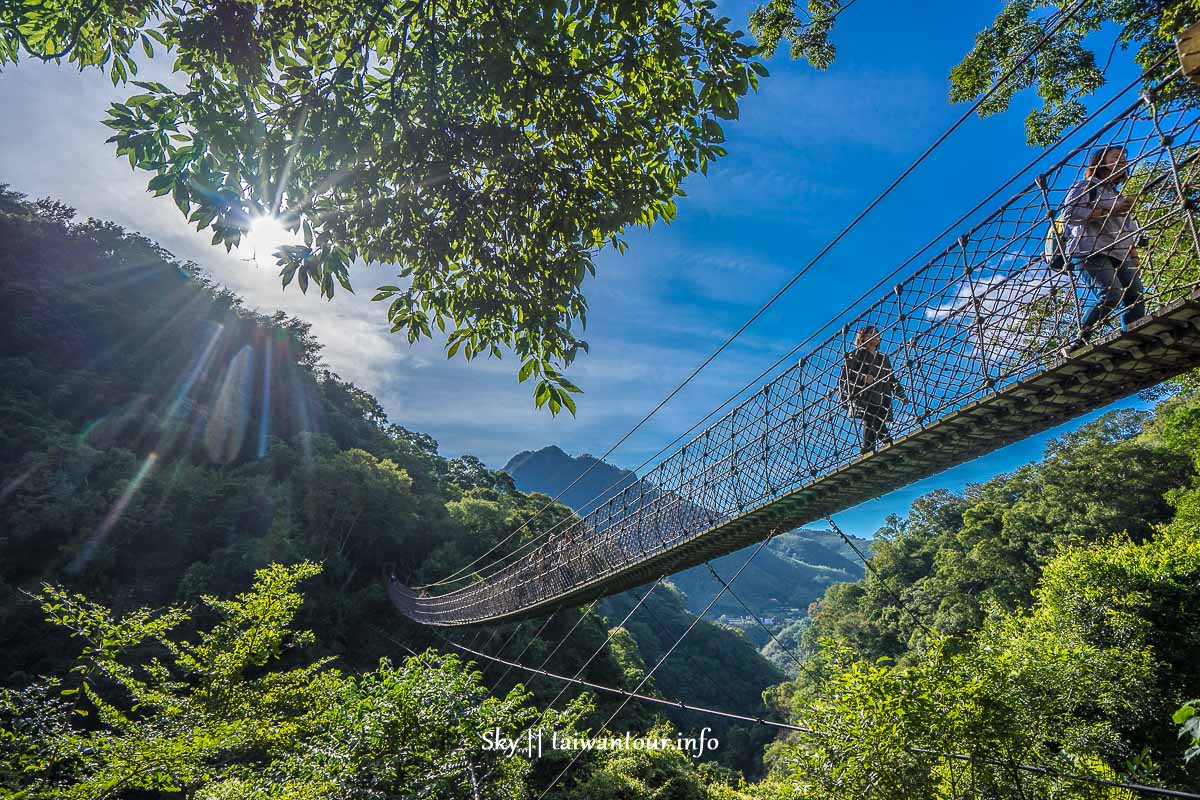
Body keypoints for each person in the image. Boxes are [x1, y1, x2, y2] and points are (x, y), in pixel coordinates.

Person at [1059, 145, 1145, 351]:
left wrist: (1134, 256)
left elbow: (1128, 228)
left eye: (1124, 159)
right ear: (1101, 161)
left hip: (1119, 252)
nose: (1121, 161)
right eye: (1116, 157)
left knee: (1136, 294)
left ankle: (1132, 335)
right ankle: (1080, 340)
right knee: (1111, 293)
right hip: (1090, 250)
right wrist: (1108, 211)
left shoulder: (1119, 197)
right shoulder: (1087, 186)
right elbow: (1069, 215)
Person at [838, 325, 906, 455]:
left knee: (872, 421)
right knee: (870, 417)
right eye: (870, 333)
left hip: (881, 396)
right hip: (862, 395)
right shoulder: (855, 355)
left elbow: (891, 378)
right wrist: (863, 377)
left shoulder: (883, 359)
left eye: (877, 333)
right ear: (862, 338)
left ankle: (869, 449)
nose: (875, 335)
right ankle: (886, 441)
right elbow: (846, 374)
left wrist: (901, 394)